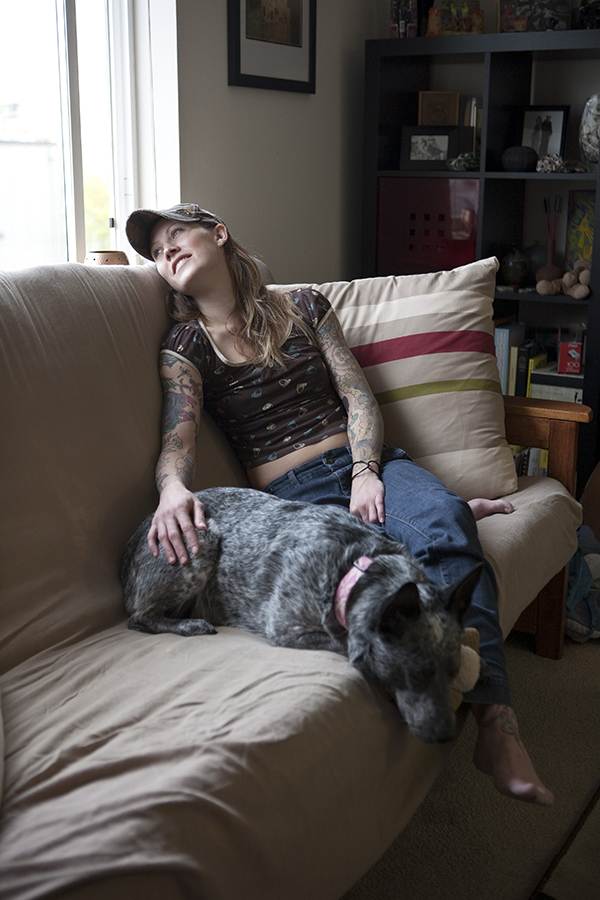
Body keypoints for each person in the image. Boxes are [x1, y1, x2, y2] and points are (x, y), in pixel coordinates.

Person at [125, 203, 554, 807]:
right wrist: (173, 488)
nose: (165, 250)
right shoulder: (185, 344)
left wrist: (367, 473)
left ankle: (496, 723)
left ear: (218, 232)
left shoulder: (302, 306)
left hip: (363, 470)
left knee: (443, 524)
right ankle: (440, 517)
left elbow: (357, 397)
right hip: (290, 500)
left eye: (175, 235)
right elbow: (180, 435)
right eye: (156, 252)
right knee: (438, 526)